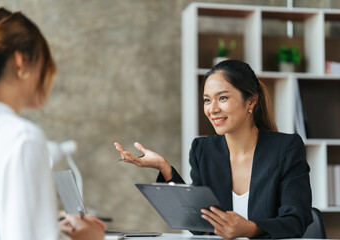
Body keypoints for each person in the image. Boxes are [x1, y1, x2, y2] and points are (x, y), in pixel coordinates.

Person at [115, 59, 313, 239]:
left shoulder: (285, 148)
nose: (213, 109)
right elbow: (200, 226)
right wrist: (164, 167)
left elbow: (296, 220)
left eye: (223, 98)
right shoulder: (203, 150)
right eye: (207, 100)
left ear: (251, 101)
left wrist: (250, 229)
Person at [0, 8, 105, 240]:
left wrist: (53, 231)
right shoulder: (21, 138)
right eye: (45, 63)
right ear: (21, 60)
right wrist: (87, 237)